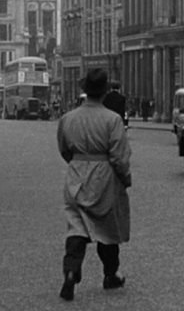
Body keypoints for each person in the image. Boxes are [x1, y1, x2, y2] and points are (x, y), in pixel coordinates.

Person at [57, 68, 132, 301]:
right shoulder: (112, 120)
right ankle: (111, 274)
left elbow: (64, 148)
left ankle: (71, 271)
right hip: (104, 175)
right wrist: (124, 177)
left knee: (77, 226)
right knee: (108, 228)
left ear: (84, 90)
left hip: (77, 172)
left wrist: (78, 162)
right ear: (104, 91)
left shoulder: (68, 118)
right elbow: (120, 156)